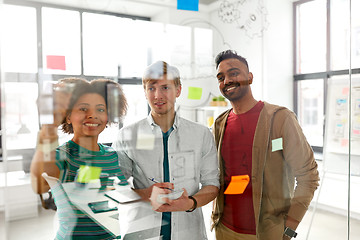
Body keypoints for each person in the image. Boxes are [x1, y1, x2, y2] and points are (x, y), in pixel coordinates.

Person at [211, 50, 320, 240]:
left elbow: (308, 176)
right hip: (225, 230)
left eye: (234, 73)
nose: (227, 80)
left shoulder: (280, 118)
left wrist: (289, 228)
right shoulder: (220, 124)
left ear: (250, 77)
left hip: (266, 233)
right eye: (221, 77)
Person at [112, 61, 220, 240]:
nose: (158, 95)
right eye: (151, 88)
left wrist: (190, 203)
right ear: (145, 92)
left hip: (189, 232)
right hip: (142, 231)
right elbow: (116, 187)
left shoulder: (200, 134)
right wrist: (145, 194)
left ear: (178, 90)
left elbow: (212, 183)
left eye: (165, 87)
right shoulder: (127, 136)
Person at [30, 78, 128, 239]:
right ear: (68, 117)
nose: (92, 115)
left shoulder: (112, 154)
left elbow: (121, 195)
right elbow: (40, 186)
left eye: (101, 109)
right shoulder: (62, 155)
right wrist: (49, 125)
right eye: (83, 108)